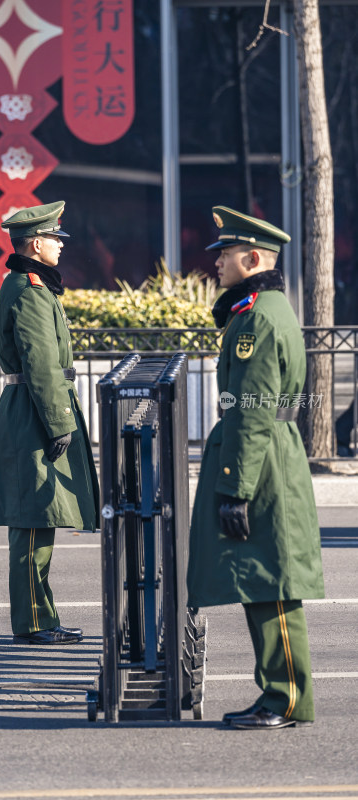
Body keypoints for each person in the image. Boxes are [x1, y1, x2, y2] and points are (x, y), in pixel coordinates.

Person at [187, 206, 325, 729]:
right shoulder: (261, 308)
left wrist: (234, 489)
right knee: (263, 580)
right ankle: (277, 693)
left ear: (252, 257)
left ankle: (286, 699)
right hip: (269, 454)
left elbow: (252, 408)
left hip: (262, 459)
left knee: (272, 583)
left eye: (224, 254)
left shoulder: (258, 319)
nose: (217, 263)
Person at [0, 201, 99, 645]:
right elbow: (43, 364)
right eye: (55, 239)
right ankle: (33, 623)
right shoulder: (30, 290)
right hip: (35, 411)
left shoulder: (32, 285)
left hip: (32, 409)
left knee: (40, 523)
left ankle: (42, 617)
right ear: (35, 243)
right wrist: (59, 421)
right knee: (33, 525)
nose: (60, 246)